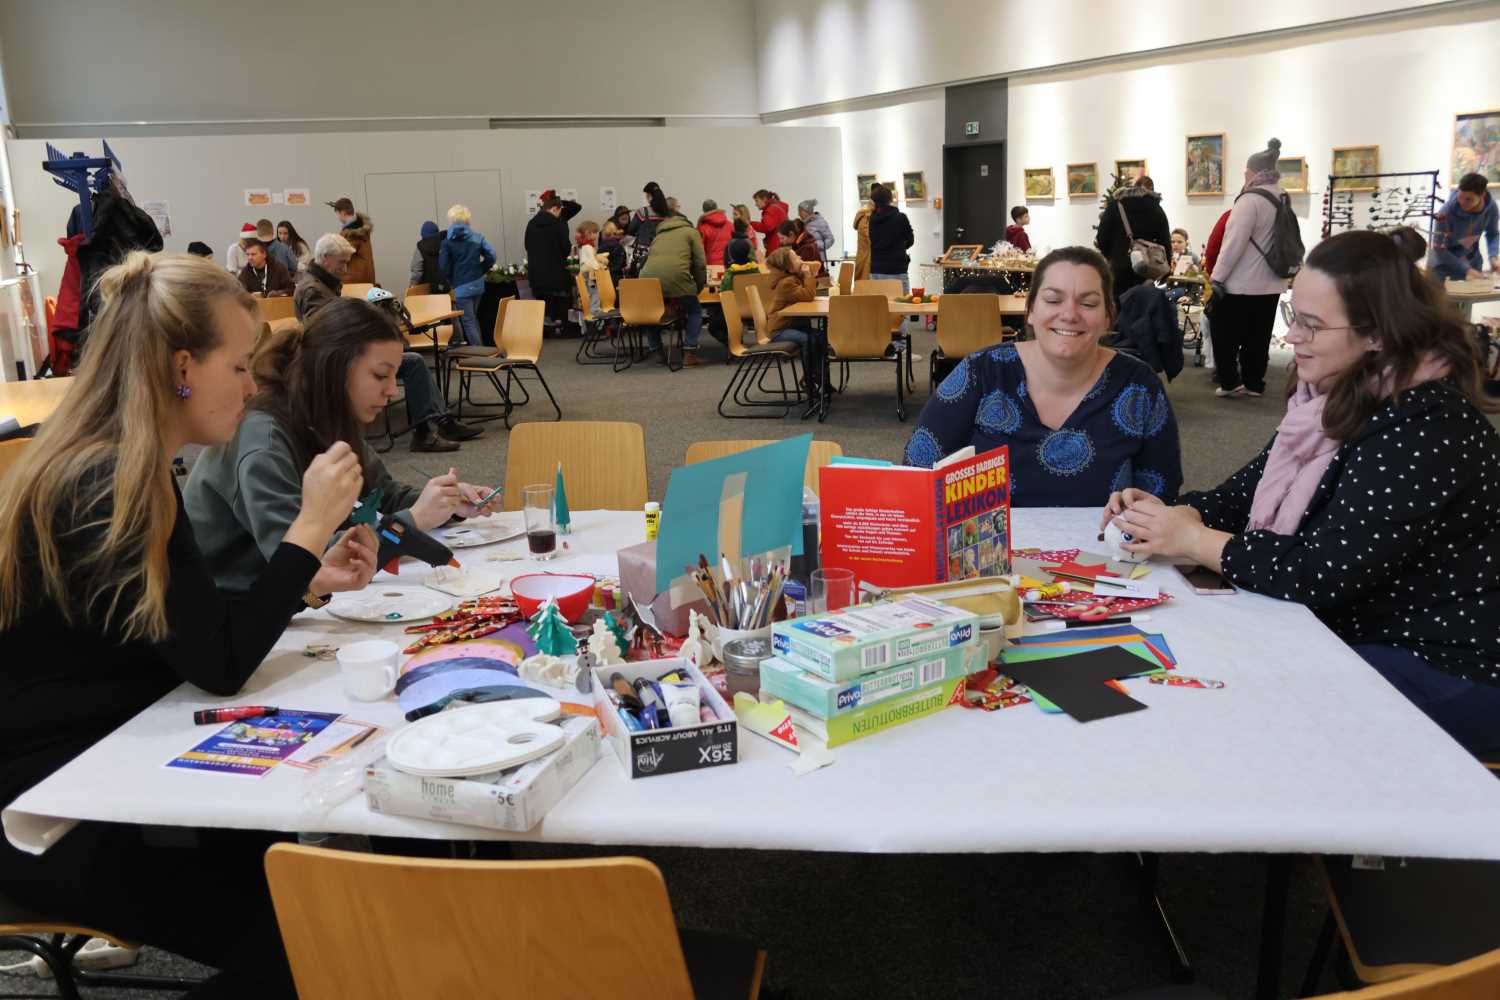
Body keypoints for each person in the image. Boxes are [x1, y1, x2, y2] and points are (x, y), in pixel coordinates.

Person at [0, 252, 377, 999]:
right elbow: (221, 662)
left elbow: (189, 631)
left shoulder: (112, 461)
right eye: (238, 367)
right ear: (181, 367)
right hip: (46, 810)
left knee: (301, 874)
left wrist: (300, 580)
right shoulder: (111, 482)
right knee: (314, 936)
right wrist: (306, 532)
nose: (250, 387)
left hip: (100, 768)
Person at [1102, 230, 1500, 753]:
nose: (1292, 339)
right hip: (1360, 628)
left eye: (1311, 326)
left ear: (1377, 333)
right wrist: (1173, 512)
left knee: (1238, 708)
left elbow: (1320, 573)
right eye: (1295, 318)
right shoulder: (1333, 395)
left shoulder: (1427, 425)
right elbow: (1245, 490)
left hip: (1443, 661)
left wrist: (1197, 541)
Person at [186, 296, 500, 594]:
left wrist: (446, 503)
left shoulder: (326, 413)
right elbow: (306, 562)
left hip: (289, 603)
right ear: (334, 369)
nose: (392, 391)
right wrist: (414, 519)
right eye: (380, 376)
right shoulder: (264, 442)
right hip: (240, 611)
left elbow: (379, 496)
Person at [904, 246, 1183, 507]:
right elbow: (916, 470)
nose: (1070, 314)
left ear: (1109, 317)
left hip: (1107, 554)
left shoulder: (1139, 387)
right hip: (990, 553)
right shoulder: (983, 372)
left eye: (1088, 303)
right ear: (1030, 311)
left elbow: (1161, 499)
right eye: (1053, 299)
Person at [294, 233, 480, 452]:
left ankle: (437, 423)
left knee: (410, 360)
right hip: (341, 362)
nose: (345, 269)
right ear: (325, 259)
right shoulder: (313, 290)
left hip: (349, 355)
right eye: (342, 263)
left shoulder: (322, 284)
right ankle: (428, 430)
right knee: (413, 362)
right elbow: (328, 334)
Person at [1209, 139, 1290, 400]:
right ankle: (1255, 383)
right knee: (1259, 336)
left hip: (1242, 283)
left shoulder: (1249, 200)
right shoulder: (1282, 197)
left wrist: (1217, 277)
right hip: (1273, 280)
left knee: (1224, 334)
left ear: (1252, 173)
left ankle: (1231, 382)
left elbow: (1233, 245)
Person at [639, 210, 708, 366]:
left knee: (652, 312)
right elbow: (700, 264)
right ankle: (689, 352)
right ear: (685, 220)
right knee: (694, 310)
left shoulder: (659, 236)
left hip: (647, 279)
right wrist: (698, 286)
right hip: (677, 277)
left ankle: (656, 350)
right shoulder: (691, 232)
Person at [1095, 174, 1171, 302]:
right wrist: (1165, 270)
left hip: (1119, 270)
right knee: (1143, 310)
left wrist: (1113, 256)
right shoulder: (1156, 208)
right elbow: (1165, 242)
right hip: (1147, 271)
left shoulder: (1115, 206)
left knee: (1119, 310)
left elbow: (1101, 238)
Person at [439, 204, 498, 348]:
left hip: (461, 287)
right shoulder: (478, 238)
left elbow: (444, 267)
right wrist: (481, 270)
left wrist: (452, 281)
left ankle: (479, 353)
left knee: (468, 321)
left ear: (451, 220)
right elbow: (492, 256)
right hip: (478, 284)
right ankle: (481, 349)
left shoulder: (447, 243)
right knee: (473, 318)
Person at [761, 247, 818, 390]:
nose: (800, 257)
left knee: (821, 337)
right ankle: (810, 378)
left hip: (793, 325)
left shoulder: (793, 278)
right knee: (809, 339)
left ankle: (819, 376)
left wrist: (809, 274)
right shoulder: (786, 283)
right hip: (780, 330)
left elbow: (810, 287)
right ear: (789, 267)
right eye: (796, 257)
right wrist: (808, 276)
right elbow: (808, 296)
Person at [526, 190, 583, 329]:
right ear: (555, 208)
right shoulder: (558, 224)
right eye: (559, 209)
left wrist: (555, 201)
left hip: (537, 272)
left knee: (544, 303)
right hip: (557, 271)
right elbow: (565, 247)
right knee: (561, 302)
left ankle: (545, 328)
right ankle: (561, 326)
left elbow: (527, 245)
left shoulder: (532, 223)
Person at [1429, 172, 1500, 280]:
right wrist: (1466, 269)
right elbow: (1439, 249)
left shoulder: (1491, 208)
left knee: (1475, 295)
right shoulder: (1445, 213)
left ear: (1482, 195)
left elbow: (1492, 234)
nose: (1462, 202)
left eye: (1468, 199)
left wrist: (1493, 257)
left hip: (1473, 264)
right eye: (1460, 197)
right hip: (1443, 267)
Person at [868, 184, 915, 291]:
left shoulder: (871, 219)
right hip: (897, 267)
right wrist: (900, 247)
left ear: (874, 200)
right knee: (901, 304)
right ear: (890, 199)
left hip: (876, 267)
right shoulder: (901, 217)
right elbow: (910, 240)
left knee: (879, 305)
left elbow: (871, 240)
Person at [327, 196, 375, 284]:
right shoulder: (360, 227)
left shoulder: (353, 233)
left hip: (354, 280)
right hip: (364, 278)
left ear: (343, 213)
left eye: (337, 214)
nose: (338, 217)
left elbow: (342, 254)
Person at [627, 184, 670, 276]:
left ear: (650, 196)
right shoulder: (667, 213)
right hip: (662, 251)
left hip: (644, 252)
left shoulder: (643, 212)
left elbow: (631, 229)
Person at [575, 219, 607, 315]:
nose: (597, 235)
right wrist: (599, 267)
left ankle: (592, 309)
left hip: (586, 273)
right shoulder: (587, 247)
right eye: (595, 232)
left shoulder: (584, 246)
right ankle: (594, 309)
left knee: (591, 292)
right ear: (588, 233)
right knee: (595, 291)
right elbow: (590, 260)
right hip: (588, 274)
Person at [409, 220, 447, 292]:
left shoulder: (420, 248)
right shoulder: (446, 245)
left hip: (426, 290)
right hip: (445, 289)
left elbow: (417, 272)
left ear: (422, 234)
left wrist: (411, 288)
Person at [697, 199, 734, 268]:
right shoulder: (730, 225)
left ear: (704, 210)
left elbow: (698, 250)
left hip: (711, 265)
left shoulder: (702, 228)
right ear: (716, 208)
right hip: (729, 263)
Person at [599, 220, 628, 287]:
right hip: (618, 278)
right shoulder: (620, 247)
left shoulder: (602, 247)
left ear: (603, 234)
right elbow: (624, 263)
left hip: (606, 278)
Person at [852, 201, 873, 280]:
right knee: (865, 287)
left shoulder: (864, 214)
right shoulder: (866, 216)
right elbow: (869, 240)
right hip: (867, 260)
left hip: (863, 259)